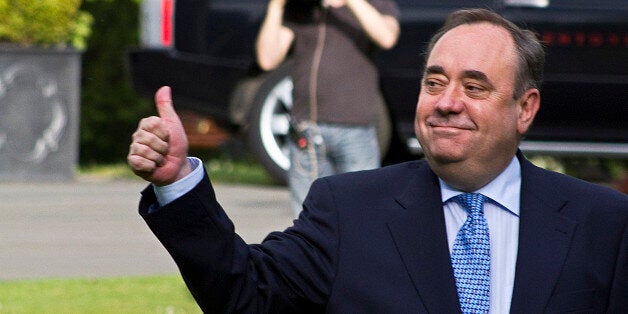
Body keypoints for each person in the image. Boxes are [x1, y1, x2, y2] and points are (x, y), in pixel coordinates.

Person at [128, 8, 627, 313]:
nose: (447, 101)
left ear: (525, 108)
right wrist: (178, 184)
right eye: (434, 83)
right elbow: (245, 294)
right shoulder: (349, 210)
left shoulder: (602, 224)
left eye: (474, 87)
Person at [255, 0, 400, 216]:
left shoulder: (376, 3)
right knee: (309, 219)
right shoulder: (303, 9)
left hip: (356, 132)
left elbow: (387, 37)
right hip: (307, 129)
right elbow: (267, 60)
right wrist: (276, 7)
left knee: (361, 215)